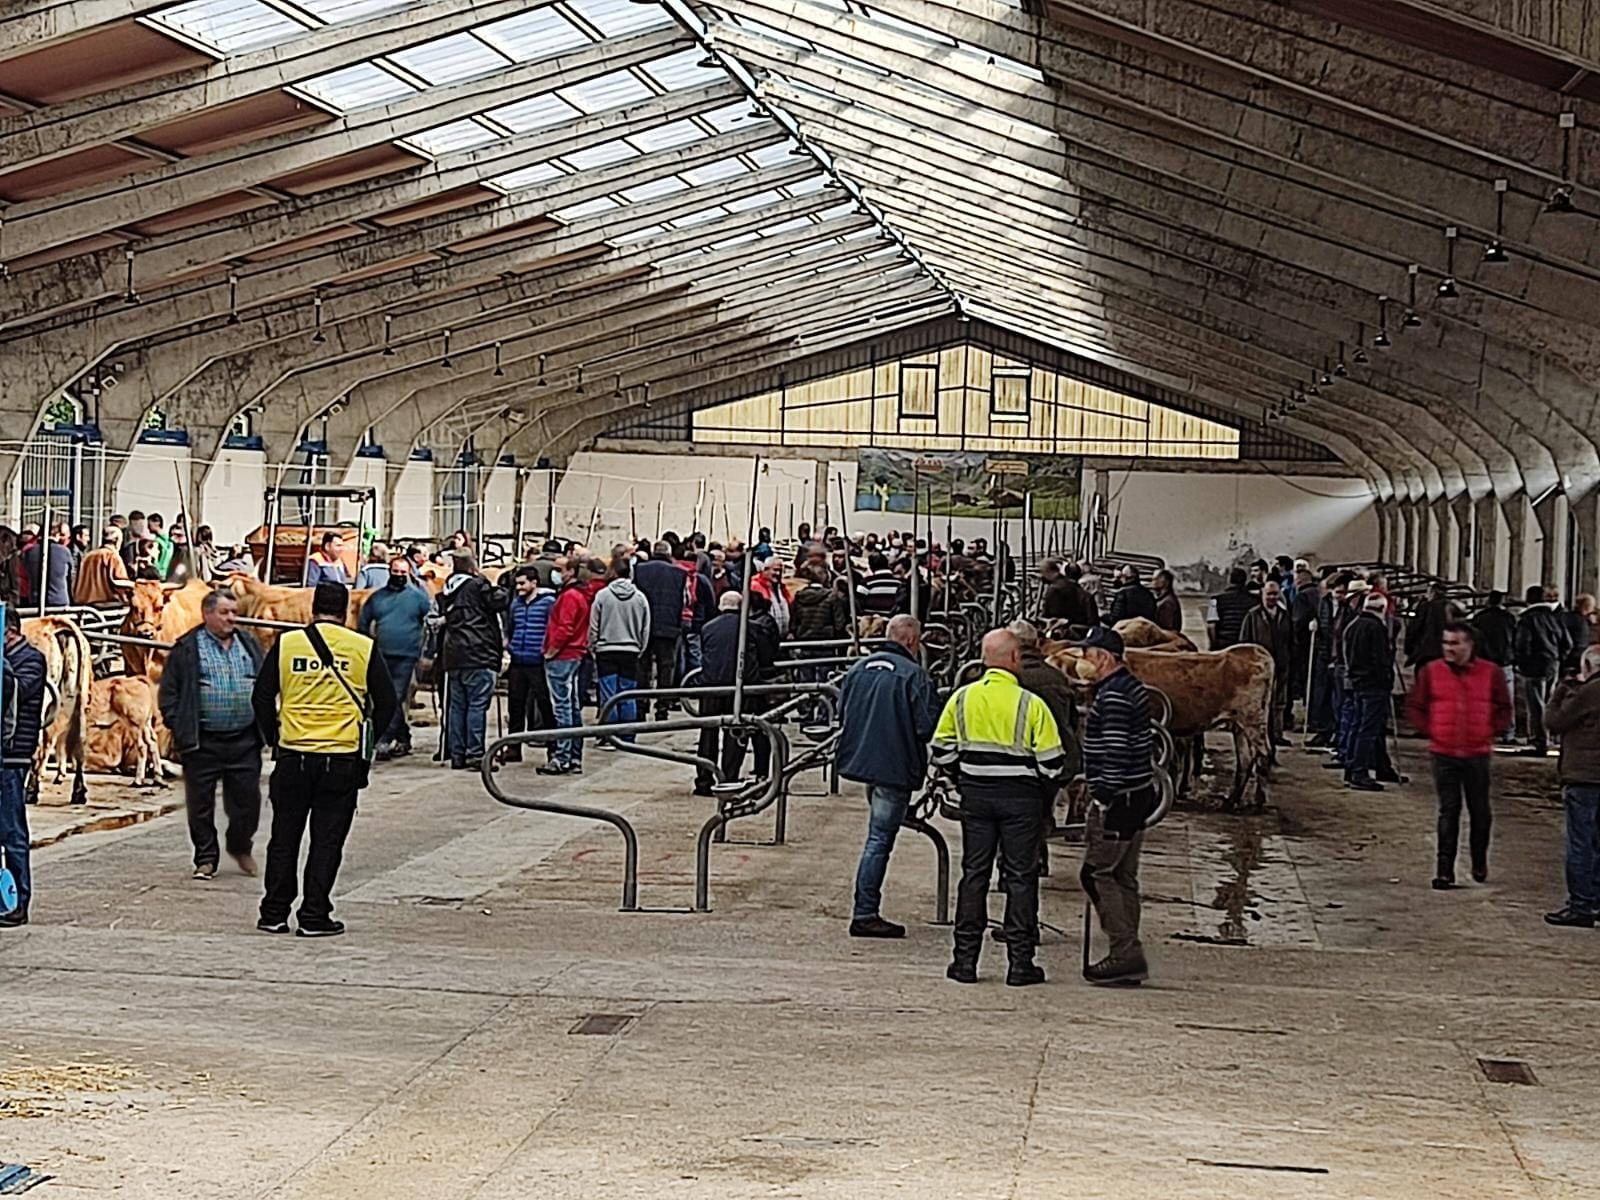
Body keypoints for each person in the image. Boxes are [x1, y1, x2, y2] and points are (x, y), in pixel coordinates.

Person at [252, 581, 396, 937]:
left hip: (293, 755)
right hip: (340, 759)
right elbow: (388, 701)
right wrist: (368, 740)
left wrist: (275, 737)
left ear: (312, 609)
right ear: (347, 611)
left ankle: (274, 912)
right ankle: (314, 915)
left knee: (284, 837)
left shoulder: (286, 645)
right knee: (326, 840)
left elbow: (261, 697)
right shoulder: (362, 647)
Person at [933, 628, 1066, 987]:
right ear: (1014, 659)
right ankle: (1020, 964)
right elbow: (1053, 762)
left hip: (976, 796)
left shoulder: (962, 699)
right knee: (1021, 877)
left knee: (974, 874)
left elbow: (941, 749)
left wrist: (964, 770)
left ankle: (964, 962)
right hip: (1021, 799)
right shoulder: (1030, 704)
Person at [837, 615, 936, 938]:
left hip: (863, 759)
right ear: (911, 641)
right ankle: (865, 911)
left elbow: (843, 712)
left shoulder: (858, 669)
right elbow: (927, 725)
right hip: (894, 765)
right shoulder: (914, 675)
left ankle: (866, 908)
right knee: (878, 840)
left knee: (878, 834)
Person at [159, 590, 266, 879]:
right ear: (207, 614)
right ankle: (205, 857)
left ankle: (240, 845)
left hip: (244, 739)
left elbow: (266, 682)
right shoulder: (187, 648)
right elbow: (169, 692)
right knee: (200, 804)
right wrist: (178, 723)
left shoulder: (249, 643)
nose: (232, 617)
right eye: (225, 612)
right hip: (203, 741)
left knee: (247, 802)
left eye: (234, 611)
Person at [1075, 625, 1156, 985]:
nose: (1082, 663)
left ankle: (1124, 951)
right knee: (1123, 875)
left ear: (1105, 658)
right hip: (1137, 793)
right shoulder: (1128, 687)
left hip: (1118, 798)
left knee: (1096, 873)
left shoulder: (1114, 697)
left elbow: (1116, 749)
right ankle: (1129, 952)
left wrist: (1102, 794)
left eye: (1087, 656)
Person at [1407, 622, 1511, 890]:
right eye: (1445, 643)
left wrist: (1489, 731)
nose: (1448, 649)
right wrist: (1432, 730)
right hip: (1443, 752)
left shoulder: (1491, 673)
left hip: (1477, 753)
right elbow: (1416, 706)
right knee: (1448, 810)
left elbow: (1503, 707)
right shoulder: (1432, 672)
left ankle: (1478, 859)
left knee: (1480, 811)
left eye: (1455, 643)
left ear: (1469, 645)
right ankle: (1444, 870)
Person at [693, 591, 781, 796]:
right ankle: (729, 778)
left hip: (711, 687)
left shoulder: (708, 628)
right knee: (736, 733)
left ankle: (703, 780)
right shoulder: (752, 628)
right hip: (742, 686)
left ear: (720, 607)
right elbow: (766, 658)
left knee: (708, 735)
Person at [1544, 645, 1600, 927]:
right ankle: (1597, 899)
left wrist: (1561, 690)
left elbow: (1554, 721)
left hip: (1584, 776)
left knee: (1580, 843)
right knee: (1598, 841)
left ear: (1588, 668)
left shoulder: (1590, 691)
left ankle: (1580, 905)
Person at [357, 557, 433, 760]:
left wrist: (427, 653)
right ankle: (403, 737)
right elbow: (363, 624)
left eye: (402, 572)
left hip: (406, 656)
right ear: (389, 571)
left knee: (394, 696)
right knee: (386, 698)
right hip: (381, 655)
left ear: (408, 574)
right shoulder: (377, 598)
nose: (398, 576)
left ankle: (383, 739)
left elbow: (432, 623)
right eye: (395, 571)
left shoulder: (418, 598)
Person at [437, 552, 507, 770]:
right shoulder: (477, 586)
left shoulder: (446, 591)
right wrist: (494, 584)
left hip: (453, 654)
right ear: (472, 567)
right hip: (479, 652)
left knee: (457, 707)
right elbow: (500, 600)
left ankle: (457, 754)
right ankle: (475, 754)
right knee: (477, 705)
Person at [0, 608, 47, 928]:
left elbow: (12, 690)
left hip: (12, 757)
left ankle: (19, 902)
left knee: (12, 832)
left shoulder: (31, 659)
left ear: (10, 631)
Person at [589, 558, 651, 745]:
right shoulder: (640, 597)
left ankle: (609, 736)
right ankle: (628, 736)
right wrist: (640, 647)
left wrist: (593, 646)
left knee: (609, 694)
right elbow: (645, 627)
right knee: (627, 694)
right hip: (630, 650)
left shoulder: (602, 595)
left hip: (606, 649)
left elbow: (594, 625)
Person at [540, 556, 592, 776]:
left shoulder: (569, 597)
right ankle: (573, 756)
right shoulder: (578, 595)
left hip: (563, 655)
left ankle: (562, 757)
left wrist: (551, 650)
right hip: (574, 653)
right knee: (571, 707)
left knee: (562, 708)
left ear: (570, 572)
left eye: (559, 570)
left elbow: (565, 627)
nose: (555, 574)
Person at [1342, 592, 1396, 791]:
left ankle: (1355, 768)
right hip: (1373, 685)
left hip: (1357, 683)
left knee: (1358, 727)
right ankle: (1359, 772)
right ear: (1382, 609)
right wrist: (1387, 681)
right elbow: (1380, 659)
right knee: (1368, 730)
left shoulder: (1353, 626)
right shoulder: (1376, 628)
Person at [502, 566, 555, 764]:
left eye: (523, 583)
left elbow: (553, 629)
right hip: (518, 661)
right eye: (517, 584)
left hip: (538, 662)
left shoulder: (548, 603)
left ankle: (553, 748)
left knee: (544, 705)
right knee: (515, 706)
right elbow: (511, 628)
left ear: (534, 583)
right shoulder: (516, 604)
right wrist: (510, 646)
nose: (519, 587)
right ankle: (513, 747)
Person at [1515, 583, 1571, 756]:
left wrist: (1521, 663)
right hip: (1552, 665)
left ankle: (1539, 742)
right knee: (1549, 703)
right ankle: (1550, 738)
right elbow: (1567, 643)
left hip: (1534, 666)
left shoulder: (1527, 619)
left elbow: (1522, 644)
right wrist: (1558, 659)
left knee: (1536, 705)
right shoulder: (1554, 618)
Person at [633, 541, 687, 719]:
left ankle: (641, 706)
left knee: (643, 667)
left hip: (644, 625)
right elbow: (686, 600)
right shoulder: (679, 573)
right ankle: (662, 708)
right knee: (666, 667)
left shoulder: (640, 570)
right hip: (669, 626)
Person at [1241, 579, 1294, 749]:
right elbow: (1244, 641)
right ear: (1262, 595)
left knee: (1279, 703)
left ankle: (1277, 735)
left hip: (1280, 666)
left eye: (1275, 594)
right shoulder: (1253, 615)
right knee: (1261, 704)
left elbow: (1291, 641)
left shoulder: (1285, 615)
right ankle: (1261, 737)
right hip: (1259, 668)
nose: (1271, 597)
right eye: (1268, 594)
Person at [1404, 582, 1456, 672]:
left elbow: (1415, 628)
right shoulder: (1450, 608)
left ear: (1432, 593)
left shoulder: (1426, 607)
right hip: (1445, 652)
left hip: (1427, 652)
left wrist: (1409, 648)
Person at [72, 528, 131, 607]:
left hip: (84, 605)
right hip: (107, 604)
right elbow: (122, 583)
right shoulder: (112, 556)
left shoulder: (88, 556)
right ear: (116, 540)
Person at [20, 525, 72, 608]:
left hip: (35, 600)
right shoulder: (64, 551)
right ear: (57, 535)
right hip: (59, 600)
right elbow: (70, 576)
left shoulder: (29, 552)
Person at [1040, 559, 1098, 628]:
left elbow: (1049, 614)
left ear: (1048, 572)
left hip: (1064, 628)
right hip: (1083, 626)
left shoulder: (1053, 590)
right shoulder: (1075, 586)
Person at [1206, 566, 1254, 649]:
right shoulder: (1255, 600)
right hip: (1246, 646)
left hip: (1224, 646)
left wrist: (1214, 647)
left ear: (1229, 580)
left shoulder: (1216, 600)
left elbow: (1211, 626)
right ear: (1245, 581)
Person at [1561, 593, 1597, 678]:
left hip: (1561, 660)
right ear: (1587, 607)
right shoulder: (1581, 622)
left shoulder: (1563, 616)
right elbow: (1581, 645)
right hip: (1575, 663)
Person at [1151, 569, 1182, 633]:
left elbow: (1167, 628)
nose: (1153, 582)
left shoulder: (1167, 602)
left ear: (1165, 582)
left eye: (1156, 579)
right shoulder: (1164, 599)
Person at [147, 512, 173, 578]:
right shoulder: (169, 540)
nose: (147, 527)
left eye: (149, 523)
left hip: (158, 572)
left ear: (157, 523)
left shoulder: (159, 541)